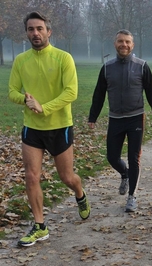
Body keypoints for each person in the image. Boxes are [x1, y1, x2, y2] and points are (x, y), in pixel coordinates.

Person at [8, 11, 90, 247]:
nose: (35, 33)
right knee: (31, 175)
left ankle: (80, 194)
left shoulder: (63, 58)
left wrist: (44, 107)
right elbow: (12, 90)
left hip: (59, 126)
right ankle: (40, 226)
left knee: (67, 177)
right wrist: (25, 100)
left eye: (39, 28)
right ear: (26, 33)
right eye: (31, 29)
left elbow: (71, 92)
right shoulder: (21, 60)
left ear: (49, 31)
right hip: (31, 128)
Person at [88, 29, 152, 212]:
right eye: (121, 41)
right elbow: (98, 94)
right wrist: (93, 117)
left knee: (133, 158)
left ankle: (132, 196)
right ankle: (125, 174)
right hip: (115, 119)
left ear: (133, 45)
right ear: (115, 44)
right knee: (112, 157)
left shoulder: (142, 66)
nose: (124, 45)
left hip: (136, 118)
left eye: (128, 42)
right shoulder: (107, 68)